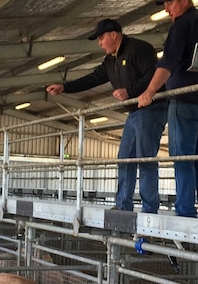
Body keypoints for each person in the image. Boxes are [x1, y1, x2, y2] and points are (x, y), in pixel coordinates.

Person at [47, 18, 167, 213]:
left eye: (101, 38)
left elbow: (155, 75)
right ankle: (123, 205)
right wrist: (65, 87)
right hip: (135, 112)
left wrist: (130, 91)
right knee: (125, 158)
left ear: (114, 34)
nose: (100, 43)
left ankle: (150, 208)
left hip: (151, 109)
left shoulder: (139, 49)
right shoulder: (111, 60)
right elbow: (92, 78)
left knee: (145, 158)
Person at [138, 0, 198, 220]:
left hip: (185, 98)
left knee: (183, 156)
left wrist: (150, 90)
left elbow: (169, 62)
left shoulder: (180, 26)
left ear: (185, 1)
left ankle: (185, 210)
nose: (167, 9)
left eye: (170, 3)